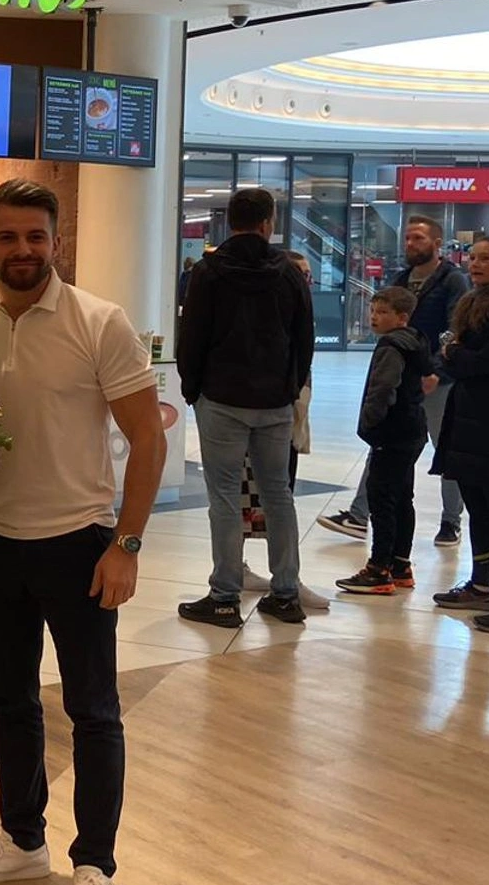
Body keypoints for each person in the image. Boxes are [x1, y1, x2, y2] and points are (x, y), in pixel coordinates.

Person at [0, 179, 164, 885]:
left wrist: (126, 543)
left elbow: (148, 437)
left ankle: (94, 866)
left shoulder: (100, 322)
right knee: (8, 701)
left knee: (93, 711)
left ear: (55, 242)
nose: (23, 250)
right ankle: (22, 840)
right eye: (8, 237)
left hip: (78, 544)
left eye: (36, 237)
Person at [176, 187, 314, 629]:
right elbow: (304, 337)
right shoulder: (288, 272)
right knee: (279, 494)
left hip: (221, 398)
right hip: (274, 401)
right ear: (268, 223)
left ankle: (224, 597)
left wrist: (192, 390)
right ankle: (286, 594)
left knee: (224, 497)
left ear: (230, 221)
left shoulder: (209, 271)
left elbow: (191, 335)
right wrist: (290, 386)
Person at [319, 215, 468, 548]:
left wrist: (436, 370)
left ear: (437, 243)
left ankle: (451, 521)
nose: (410, 244)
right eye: (407, 238)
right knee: (383, 443)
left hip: (437, 382)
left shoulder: (452, 281)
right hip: (405, 378)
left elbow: (455, 328)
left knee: (446, 450)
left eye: (418, 238)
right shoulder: (401, 279)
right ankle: (359, 515)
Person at [430, 236, 489, 631]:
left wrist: (453, 352)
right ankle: (481, 587)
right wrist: (454, 355)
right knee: (479, 506)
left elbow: (487, 360)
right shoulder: (474, 303)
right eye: (473, 257)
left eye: (486, 258)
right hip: (471, 420)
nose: (476, 264)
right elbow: (458, 361)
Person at [239, 250, 328, 610]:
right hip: (266, 414)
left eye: (307, 275)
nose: (304, 280)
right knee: (254, 494)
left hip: (287, 417)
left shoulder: (300, 312)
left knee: (277, 493)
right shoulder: (270, 312)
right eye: (298, 273)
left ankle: (284, 578)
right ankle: (272, 577)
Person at [334, 287, 432, 596]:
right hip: (413, 429)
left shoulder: (391, 346)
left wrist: (370, 422)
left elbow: (383, 387)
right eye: (373, 311)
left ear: (402, 317)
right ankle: (401, 565)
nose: (374, 317)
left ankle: (378, 569)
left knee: (381, 498)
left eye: (383, 312)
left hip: (392, 432)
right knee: (402, 497)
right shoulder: (416, 340)